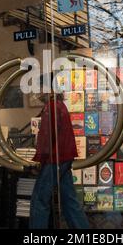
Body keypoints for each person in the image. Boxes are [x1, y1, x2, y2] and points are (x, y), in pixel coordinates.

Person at [29, 73, 89, 229]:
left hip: (54, 159)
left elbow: (47, 138)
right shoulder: (60, 105)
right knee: (70, 201)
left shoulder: (52, 107)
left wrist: (39, 160)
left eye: (39, 88)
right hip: (64, 158)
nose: (37, 93)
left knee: (39, 200)